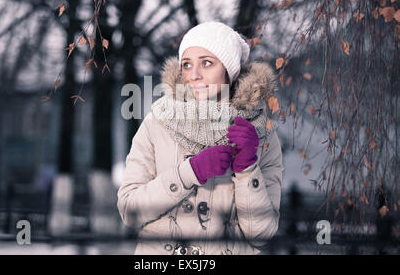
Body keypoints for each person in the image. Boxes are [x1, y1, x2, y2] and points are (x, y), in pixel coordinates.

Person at [117, 21, 284, 255]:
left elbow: (262, 234)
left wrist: (247, 169)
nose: (194, 75)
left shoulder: (261, 135)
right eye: (186, 64)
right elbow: (129, 211)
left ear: (229, 69)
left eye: (207, 63)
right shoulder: (158, 123)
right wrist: (189, 173)